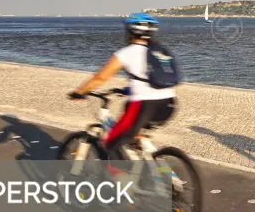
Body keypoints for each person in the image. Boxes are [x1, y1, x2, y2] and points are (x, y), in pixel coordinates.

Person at [69, 12, 178, 159]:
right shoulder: (159, 52)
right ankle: (153, 167)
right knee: (134, 135)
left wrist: (80, 91)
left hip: (143, 106)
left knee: (111, 142)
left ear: (130, 31)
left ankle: (123, 178)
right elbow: (151, 78)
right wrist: (128, 89)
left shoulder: (126, 53)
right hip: (168, 104)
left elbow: (100, 77)